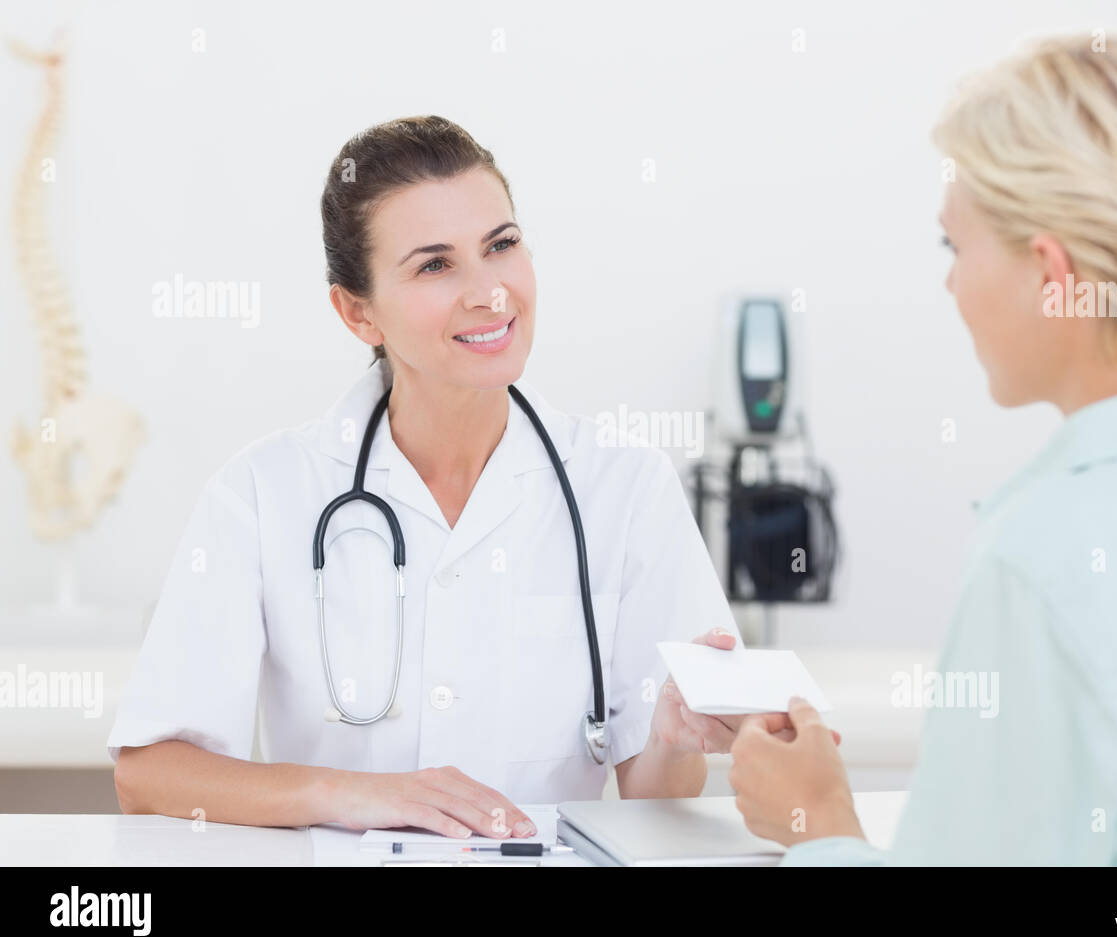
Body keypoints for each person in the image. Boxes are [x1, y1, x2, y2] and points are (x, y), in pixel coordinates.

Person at [730, 34, 1117, 865]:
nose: (951, 284)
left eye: (954, 248)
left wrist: (818, 823)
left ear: (1052, 272)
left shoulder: (1048, 559)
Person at [110, 116, 760, 838]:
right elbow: (150, 772)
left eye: (501, 246)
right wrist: (356, 795)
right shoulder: (262, 494)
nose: (489, 293)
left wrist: (671, 735)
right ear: (358, 313)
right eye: (434, 265)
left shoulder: (627, 488)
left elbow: (652, 798)